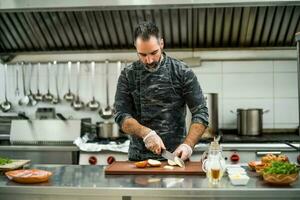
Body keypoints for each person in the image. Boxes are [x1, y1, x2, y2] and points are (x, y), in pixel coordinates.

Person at [114, 21, 208, 161]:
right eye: (142, 54)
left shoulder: (182, 72)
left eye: (153, 52)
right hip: (139, 160)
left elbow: (201, 113)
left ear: (162, 44)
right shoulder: (128, 75)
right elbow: (121, 115)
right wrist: (146, 133)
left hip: (175, 158)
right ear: (135, 48)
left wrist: (188, 145)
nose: (149, 60)